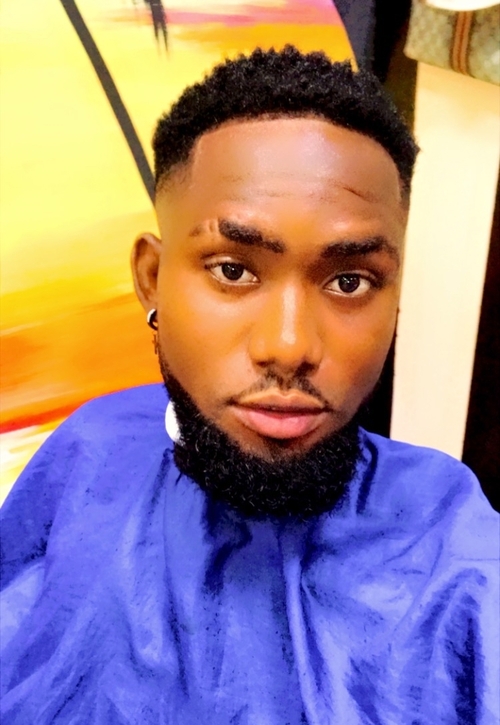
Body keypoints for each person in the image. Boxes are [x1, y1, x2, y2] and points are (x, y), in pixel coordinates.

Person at [0, 46, 498, 725]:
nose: (288, 347)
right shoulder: (92, 443)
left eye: (349, 281)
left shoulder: (455, 549)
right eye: (233, 270)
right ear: (152, 279)